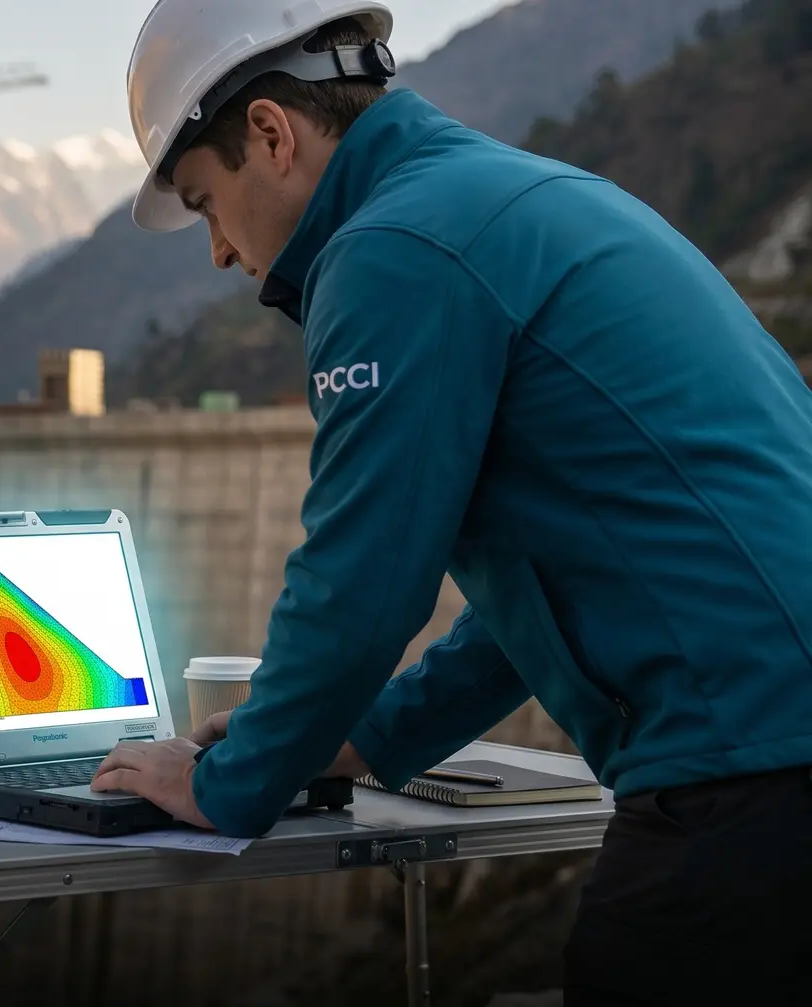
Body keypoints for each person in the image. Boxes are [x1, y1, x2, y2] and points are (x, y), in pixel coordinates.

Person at [87, 1, 812, 1002]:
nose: (216, 250)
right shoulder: (514, 196)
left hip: (749, 768)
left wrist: (225, 782)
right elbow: (540, 596)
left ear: (269, 133)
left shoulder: (396, 249)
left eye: (208, 202)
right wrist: (359, 738)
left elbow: (363, 581)